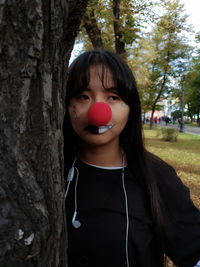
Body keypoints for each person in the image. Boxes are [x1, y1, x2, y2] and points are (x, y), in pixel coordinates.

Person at [63, 50, 200, 267]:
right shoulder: (49, 170)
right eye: (83, 97)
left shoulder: (157, 177)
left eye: (113, 97)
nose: (99, 112)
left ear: (130, 108)